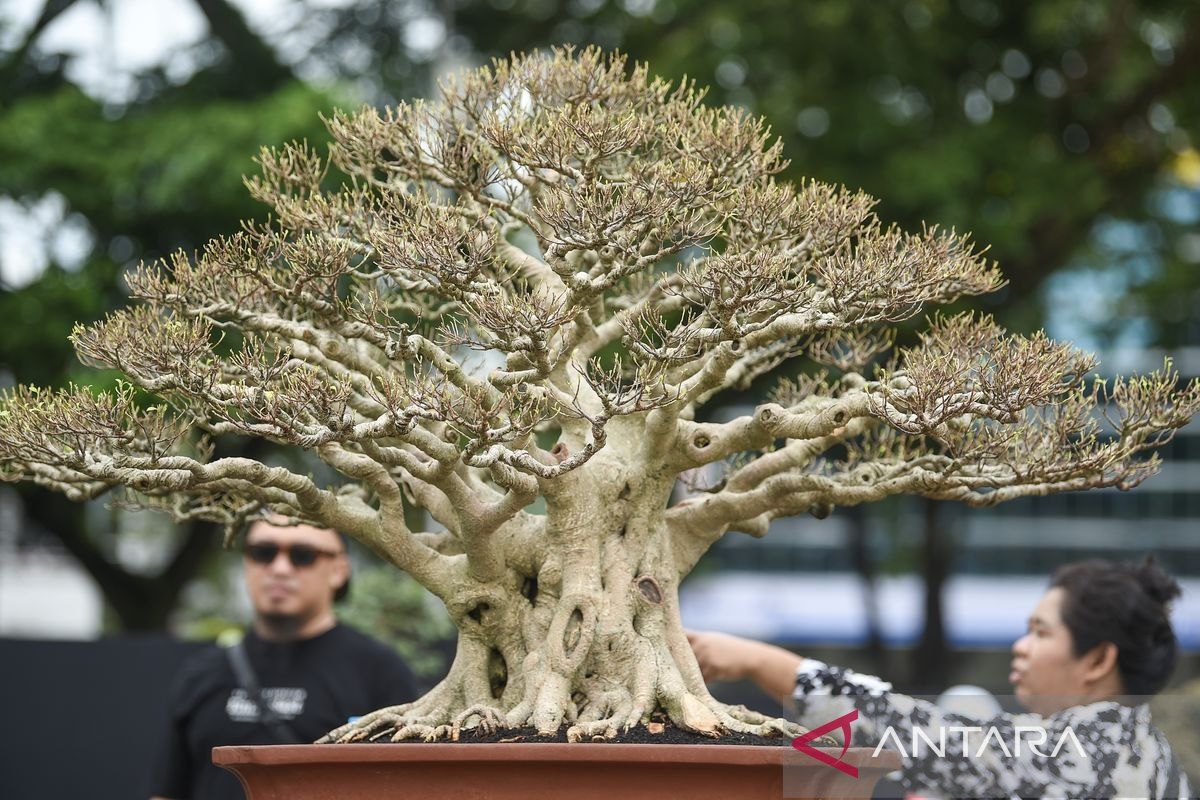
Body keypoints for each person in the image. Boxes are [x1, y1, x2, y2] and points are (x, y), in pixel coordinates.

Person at [688, 557, 1193, 799]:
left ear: (1098, 660)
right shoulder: (1159, 760)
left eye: (1040, 632)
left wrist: (759, 661)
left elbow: (910, 731)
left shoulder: (1086, 750)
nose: (1021, 646)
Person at [148, 517, 419, 800]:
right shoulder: (201, 673)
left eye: (302, 556)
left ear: (339, 570)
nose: (279, 568)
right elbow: (166, 790)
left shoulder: (379, 671)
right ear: (246, 562)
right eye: (263, 552)